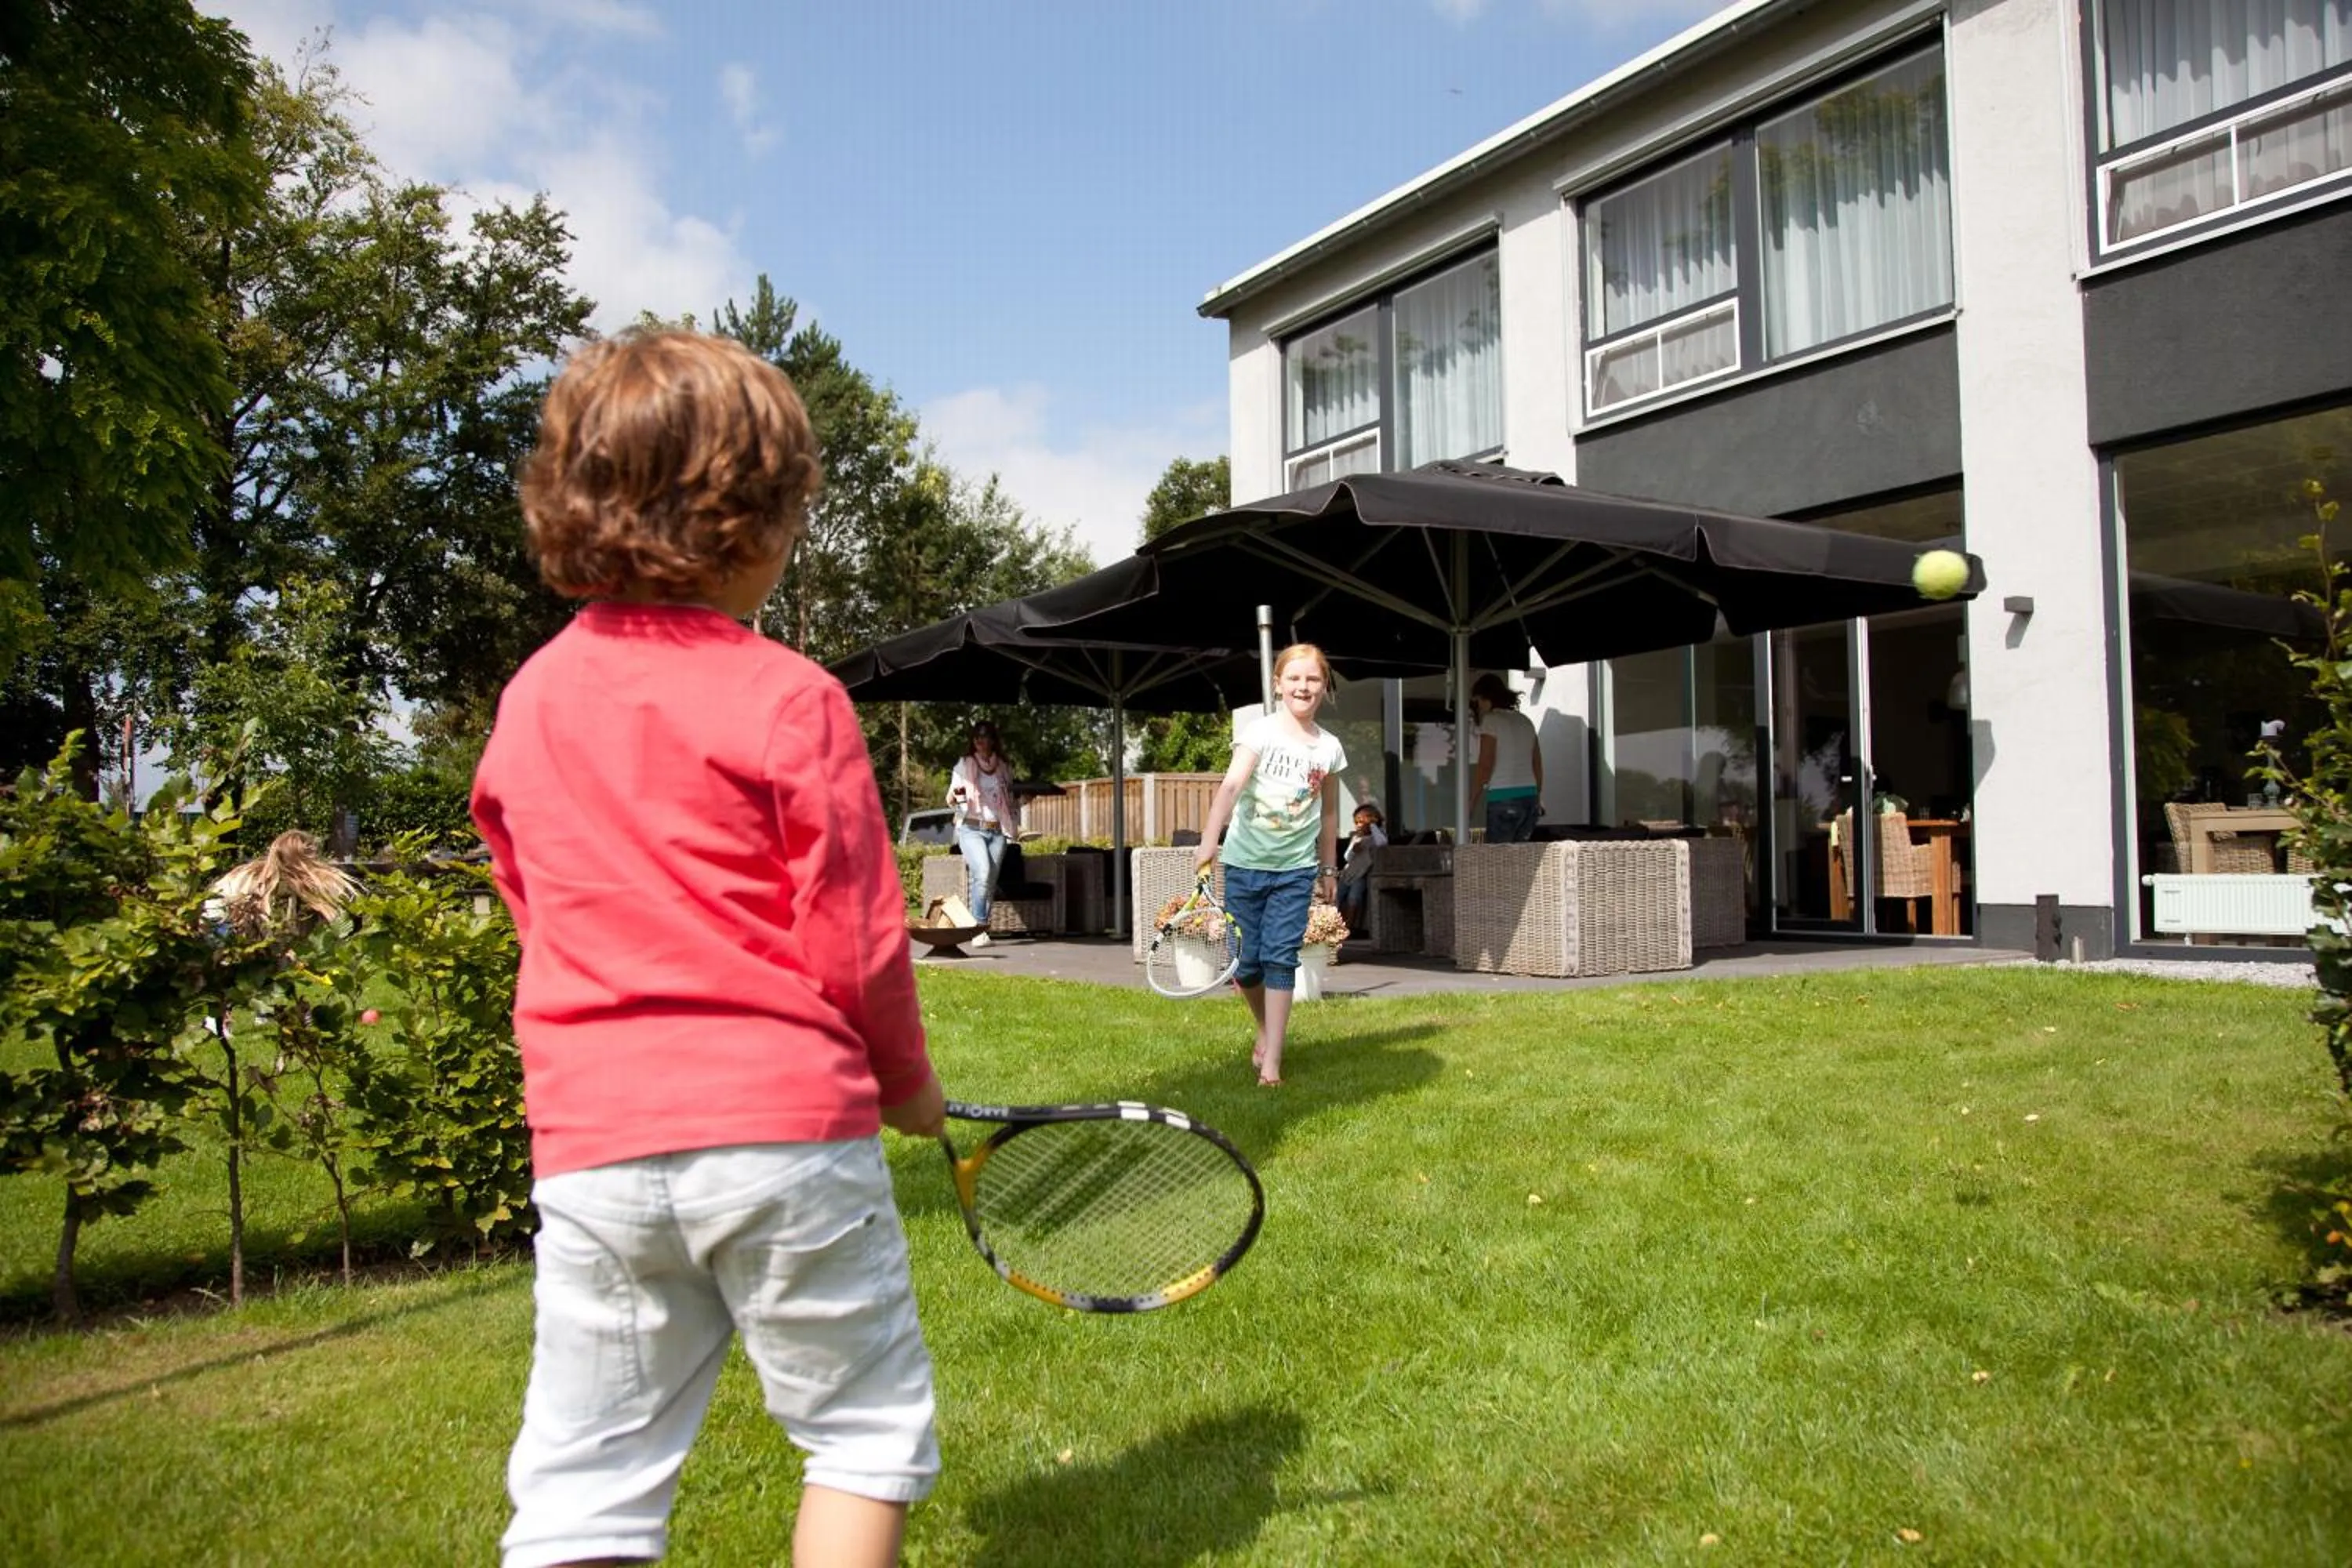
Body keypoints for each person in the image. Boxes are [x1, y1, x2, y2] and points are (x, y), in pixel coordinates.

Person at [470, 329, 946, 1568]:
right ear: (746, 527)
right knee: (861, 1435)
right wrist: (907, 1085)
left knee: (585, 1487)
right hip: (785, 1134)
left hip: (593, 1149)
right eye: (785, 513)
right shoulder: (793, 699)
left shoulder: (530, 700)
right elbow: (855, 942)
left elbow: (535, 900)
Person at [1195, 644, 1345, 1087]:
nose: (1303, 687)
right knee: (1245, 965)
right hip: (1244, 865)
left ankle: (1273, 1062)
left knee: (1281, 959)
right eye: (1294, 678)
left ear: (1323, 687)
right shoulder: (1259, 733)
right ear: (1278, 684)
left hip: (1295, 872)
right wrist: (1209, 841)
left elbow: (1331, 814)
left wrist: (1329, 868)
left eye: (1313, 679)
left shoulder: (1330, 747)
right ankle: (1263, 1028)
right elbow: (1231, 786)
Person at [947, 719, 1016, 947]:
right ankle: (977, 929)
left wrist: (1023, 800)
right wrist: (961, 803)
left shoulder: (1003, 766)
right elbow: (956, 792)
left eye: (984, 735)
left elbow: (1010, 799)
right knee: (983, 872)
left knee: (989, 882)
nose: (979, 739)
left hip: (997, 831)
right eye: (976, 735)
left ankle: (981, 927)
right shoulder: (965, 764)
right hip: (972, 828)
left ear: (993, 740)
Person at [1471, 673, 1544, 844]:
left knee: (1498, 862)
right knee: (1520, 861)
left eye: (1478, 701)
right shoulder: (1526, 721)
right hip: (1529, 800)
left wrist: (1471, 801)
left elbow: (1485, 766)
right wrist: (1537, 797)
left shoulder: (1491, 721)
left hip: (1503, 798)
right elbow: (1537, 765)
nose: (1478, 707)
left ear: (1487, 698)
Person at [1334, 799, 1386, 935]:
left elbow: (1382, 844)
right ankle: (1336, 923)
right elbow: (1347, 857)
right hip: (1349, 872)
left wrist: (1373, 826)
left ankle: (1349, 926)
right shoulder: (1356, 837)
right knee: (1338, 896)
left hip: (1362, 874)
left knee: (1354, 897)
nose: (1359, 825)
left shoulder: (1377, 836)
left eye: (1363, 822)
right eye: (1357, 822)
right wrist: (1353, 849)